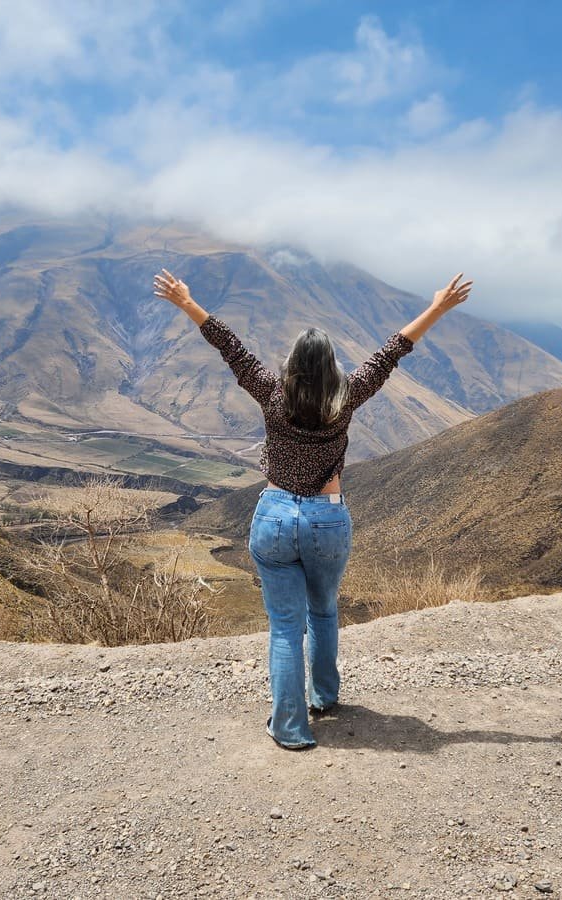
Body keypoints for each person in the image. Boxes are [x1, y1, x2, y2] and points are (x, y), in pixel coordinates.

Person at [152, 268, 473, 749]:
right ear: (330, 368)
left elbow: (231, 348)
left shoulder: (271, 393)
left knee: (285, 628)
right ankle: (325, 697)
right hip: (327, 516)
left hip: (275, 515)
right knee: (322, 612)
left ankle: (290, 728)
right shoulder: (346, 398)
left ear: (292, 365)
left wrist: (187, 303)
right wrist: (438, 308)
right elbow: (392, 352)